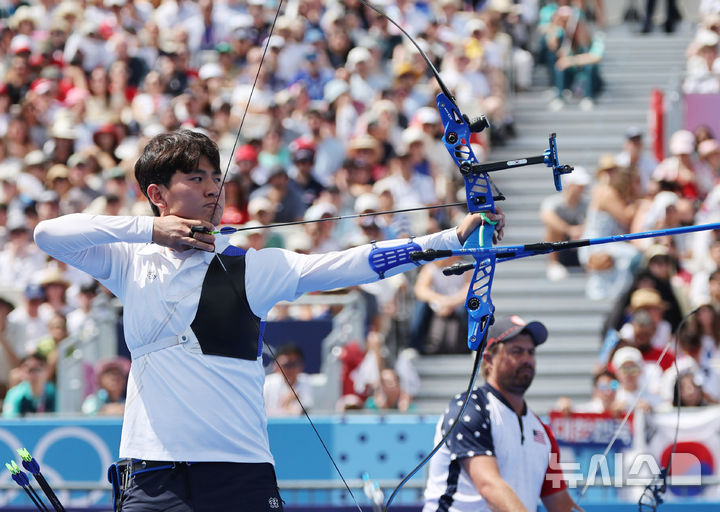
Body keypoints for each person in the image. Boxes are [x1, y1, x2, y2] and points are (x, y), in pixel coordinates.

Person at [33, 129, 505, 512]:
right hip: (153, 472)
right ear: (157, 194)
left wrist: (449, 238)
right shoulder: (129, 262)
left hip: (238, 471)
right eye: (195, 178)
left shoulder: (255, 267)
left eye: (216, 177)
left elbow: (350, 263)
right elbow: (48, 234)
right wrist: (150, 230)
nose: (213, 187)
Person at [422, 315, 583, 512]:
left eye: (531, 352)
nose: (526, 359)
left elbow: (560, 503)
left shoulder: (543, 432)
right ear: (489, 359)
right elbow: (490, 486)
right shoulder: (468, 408)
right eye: (516, 352)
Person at [263, 343, 313, 417]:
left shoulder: (306, 381)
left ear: (301, 365)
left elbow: (303, 412)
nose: (290, 369)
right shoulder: (266, 383)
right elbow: (262, 412)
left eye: (293, 364)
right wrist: (285, 402)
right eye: (285, 365)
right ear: (275, 366)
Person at [1, 352, 56, 418]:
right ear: (21, 372)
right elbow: (9, 421)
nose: (34, 374)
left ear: (48, 370)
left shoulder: (55, 393)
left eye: (38, 368)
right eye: (30, 370)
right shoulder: (15, 394)